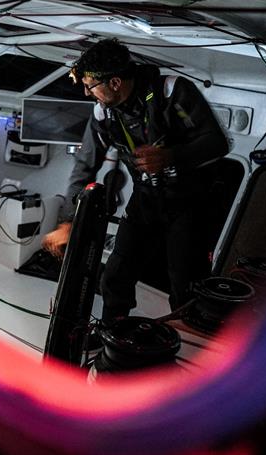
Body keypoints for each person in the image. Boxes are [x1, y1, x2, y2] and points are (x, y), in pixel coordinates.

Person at [42, 38, 228, 324]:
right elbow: (84, 166)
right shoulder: (103, 113)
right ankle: (113, 337)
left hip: (189, 201)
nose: (87, 92)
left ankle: (187, 347)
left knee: (185, 286)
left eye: (90, 86)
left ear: (115, 82)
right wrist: (70, 221)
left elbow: (218, 143)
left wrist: (170, 156)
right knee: (115, 276)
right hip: (146, 199)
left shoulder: (171, 91)